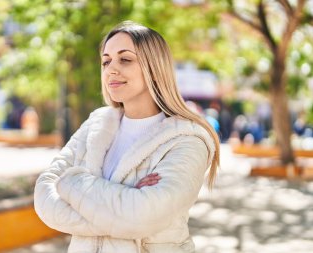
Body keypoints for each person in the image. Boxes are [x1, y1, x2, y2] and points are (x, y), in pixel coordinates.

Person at [34, 21, 220, 253]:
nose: (111, 68)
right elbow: (43, 197)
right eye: (106, 61)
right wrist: (122, 204)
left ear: (154, 67)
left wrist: (71, 182)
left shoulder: (187, 140)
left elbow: (141, 217)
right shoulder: (96, 125)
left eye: (125, 59)